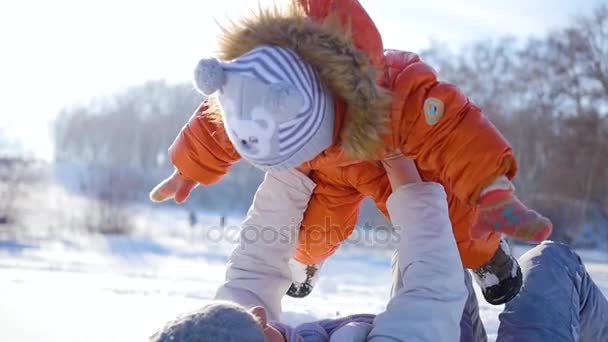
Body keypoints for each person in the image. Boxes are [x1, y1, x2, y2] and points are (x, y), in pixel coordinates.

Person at [149, 0, 551, 304]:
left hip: (391, 155)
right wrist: (189, 167)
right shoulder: (251, 85)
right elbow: (217, 123)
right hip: (326, 171)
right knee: (309, 231)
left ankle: (487, 254)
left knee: (442, 218)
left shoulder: (395, 94)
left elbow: (455, 130)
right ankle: (304, 262)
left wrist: (490, 189)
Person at [151, 156, 608, 341]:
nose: (257, 316)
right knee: (552, 263)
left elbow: (250, 269)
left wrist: (297, 165)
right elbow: (430, 296)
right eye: (254, 329)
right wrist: (408, 184)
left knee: (415, 255)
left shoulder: (245, 331)